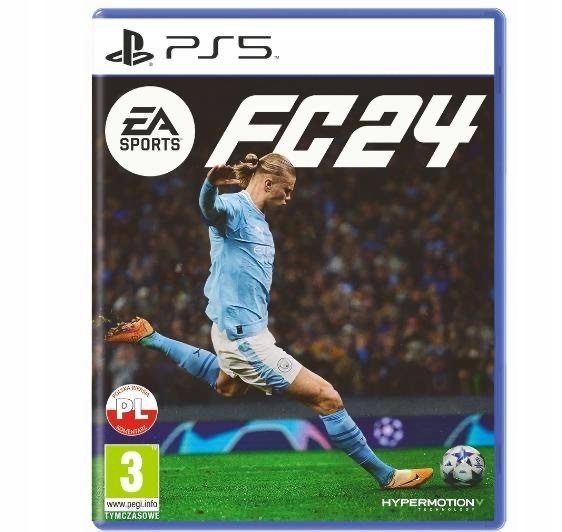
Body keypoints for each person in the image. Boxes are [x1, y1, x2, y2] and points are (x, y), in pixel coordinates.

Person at [105, 153, 433, 489]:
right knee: (327, 397)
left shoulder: (260, 221)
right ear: (268, 182)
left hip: (243, 332)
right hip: (245, 339)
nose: (288, 197)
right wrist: (209, 184)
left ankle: (151, 337)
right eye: (286, 190)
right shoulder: (235, 207)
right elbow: (209, 209)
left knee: (228, 385)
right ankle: (387, 476)